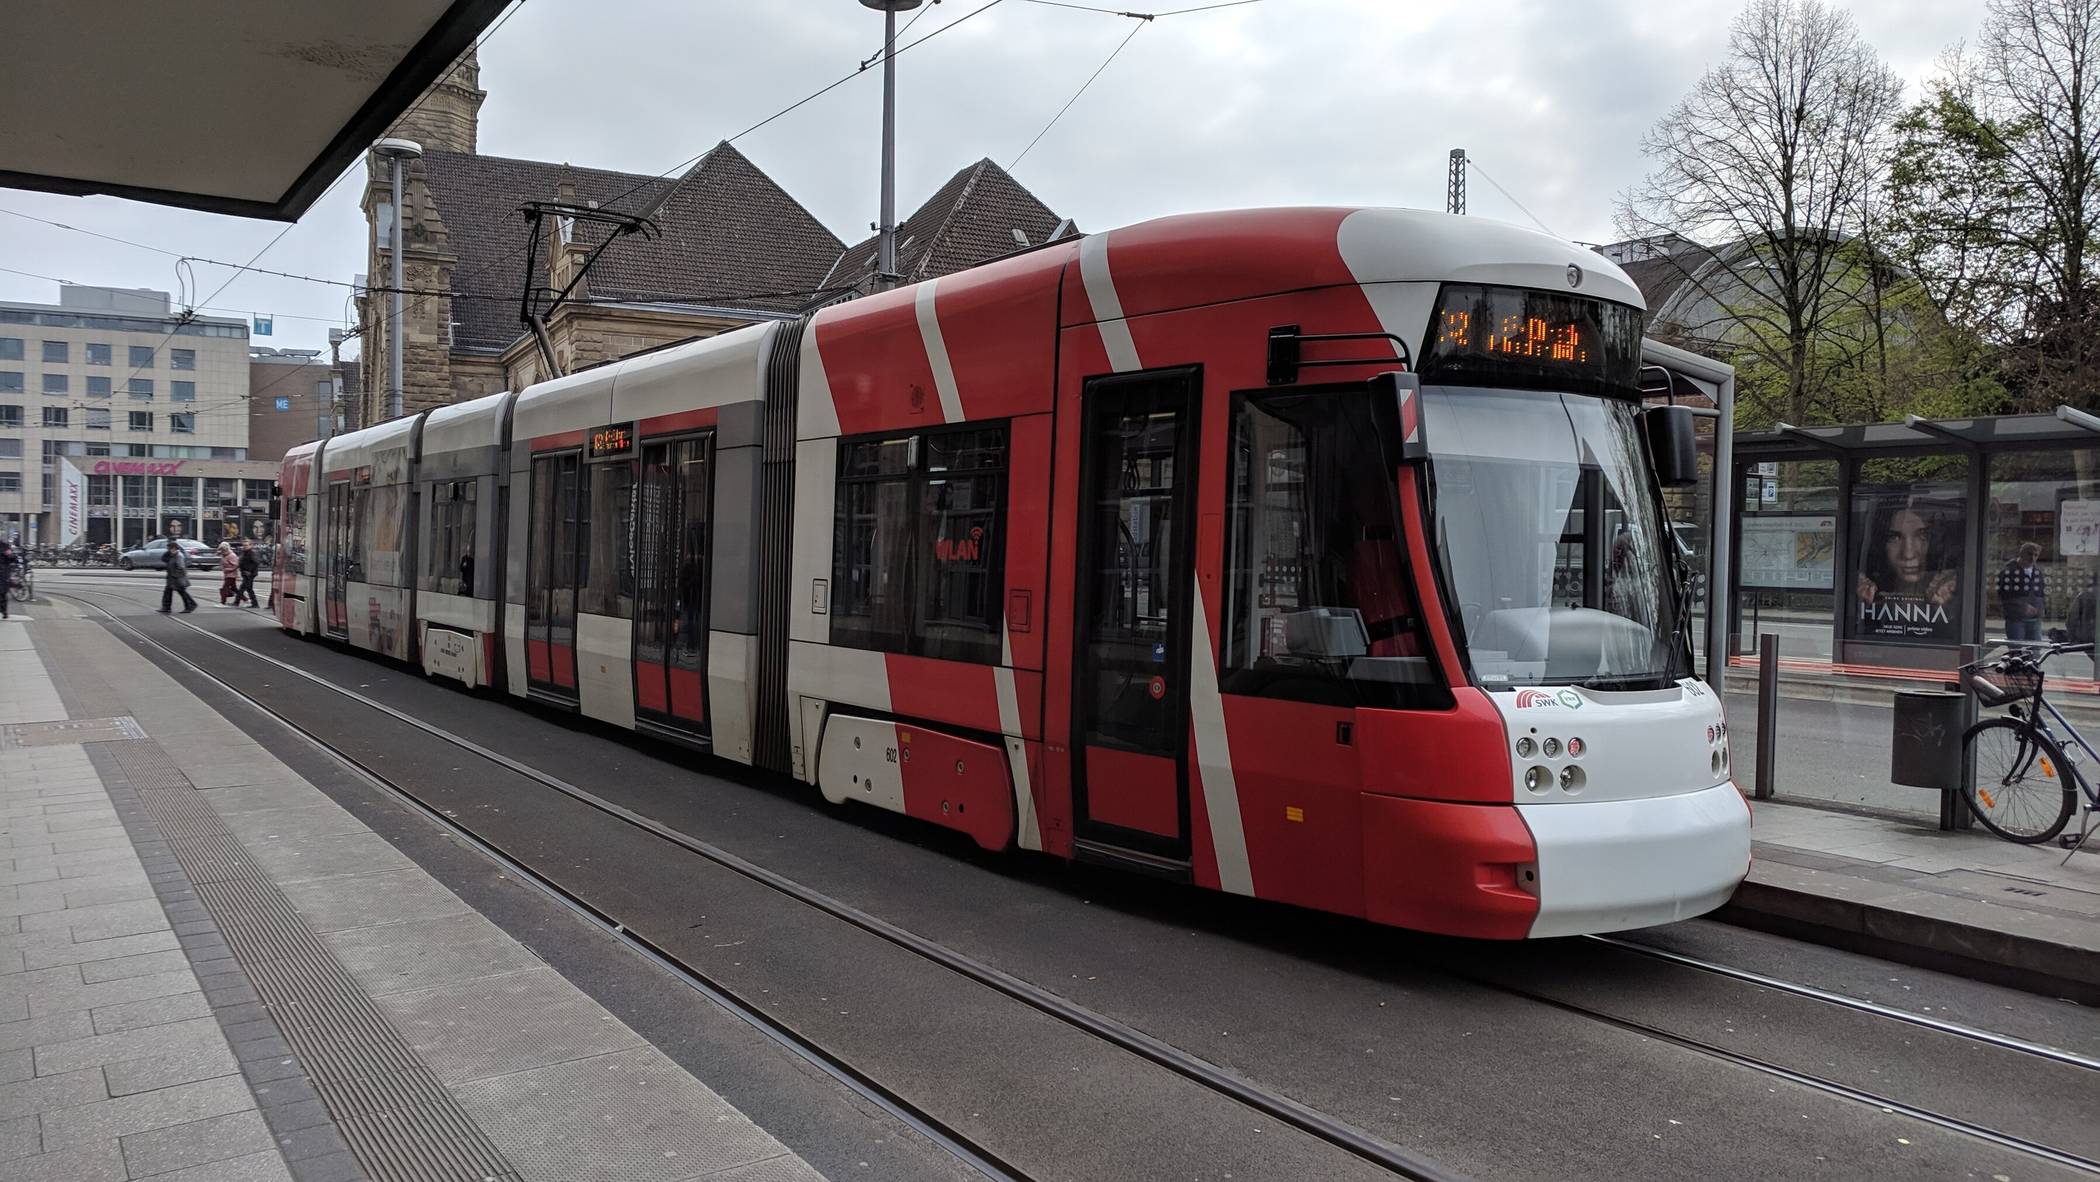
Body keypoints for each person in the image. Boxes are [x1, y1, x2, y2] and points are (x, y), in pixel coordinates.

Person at [1997, 541, 2047, 643]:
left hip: (2034, 619)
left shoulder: (2037, 572)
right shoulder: (2009, 571)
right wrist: (2022, 606)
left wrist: (2040, 609)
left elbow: (2041, 593)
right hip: (2016, 619)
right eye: (2029, 554)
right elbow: (2004, 596)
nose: (2032, 558)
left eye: (2035, 555)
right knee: (2016, 652)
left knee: (2035, 652)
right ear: (2021, 554)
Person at [160, 539, 197, 614]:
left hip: (178, 578)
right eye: (169, 549)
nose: (169, 550)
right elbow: (163, 558)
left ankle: (190, 605)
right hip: (172, 578)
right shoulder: (172, 555)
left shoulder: (178, 556)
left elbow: (181, 568)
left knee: (182, 592)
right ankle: (166, 607)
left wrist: (175, 575)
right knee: (168, 592)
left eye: (170, 549)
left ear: (174, 549)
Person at [237, 541, 260, 608]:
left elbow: (256, 562)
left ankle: (255, 604)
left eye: (246, 545)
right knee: (242, 588)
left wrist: (249, 571)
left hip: (249, 574)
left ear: (250, 546)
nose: (245, 547)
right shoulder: (245, 553)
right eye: (244, 545)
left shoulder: (251, 553)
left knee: (248, 589)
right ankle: (236, 602)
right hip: (245, 573)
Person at [216, 539, 239, 606]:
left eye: (223, 550)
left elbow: (236, 565)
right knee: (234, 589)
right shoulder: (224, 555)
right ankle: (246, 599)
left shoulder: (232, 555)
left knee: (225, 588)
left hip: (231, 575)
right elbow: (217, 554)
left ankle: (223, 602)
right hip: (227, 574)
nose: (222, 551)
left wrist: (228, 569)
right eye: (221, 550)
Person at [0, 539, 15, 621]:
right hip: (3, 572)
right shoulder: (4, 545)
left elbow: (11, 557)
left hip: (3, 572)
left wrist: (10, 555)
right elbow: (12, 558)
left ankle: (4, 611)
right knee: (2, 592)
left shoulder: (4, 545)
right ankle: (4, 611)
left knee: (2, 592)